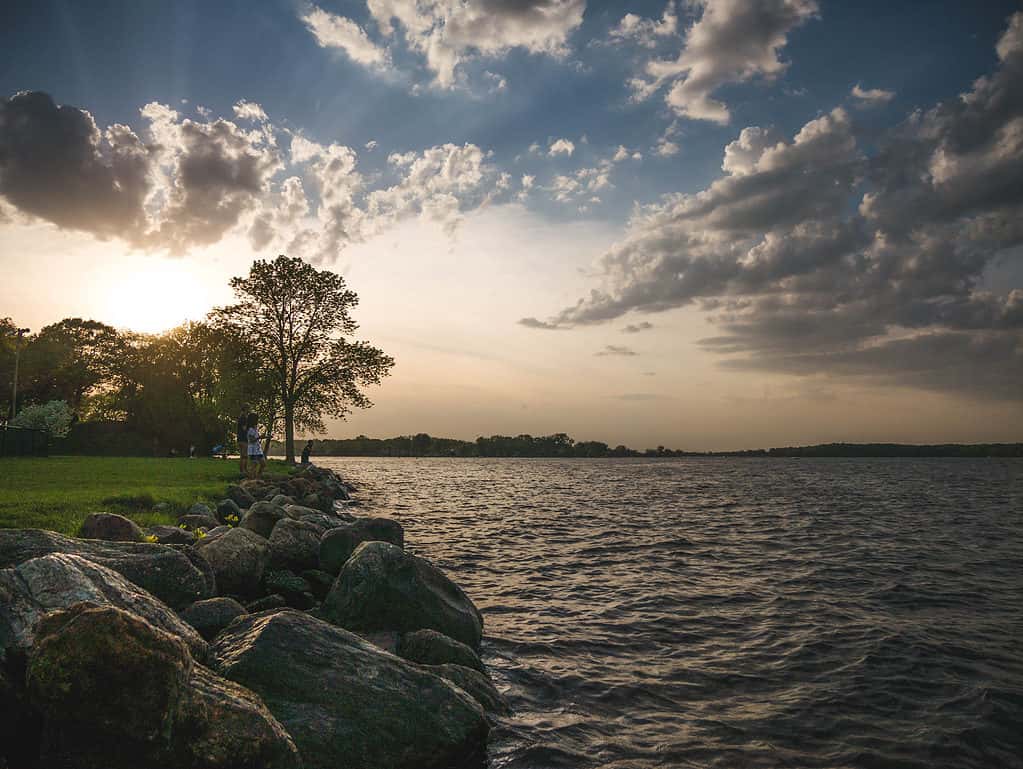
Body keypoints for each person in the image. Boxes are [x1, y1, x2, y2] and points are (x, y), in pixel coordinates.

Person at [246, 412, 267, 479]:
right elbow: (251, 440)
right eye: (257, 419)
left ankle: (257, 477)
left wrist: (265, 437)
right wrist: (260, 437)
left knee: (263, 464)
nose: (258, 421)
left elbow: (257, 438)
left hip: (258, 449)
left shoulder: (255, 429)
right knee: (254, 465)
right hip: (252, 450)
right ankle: (251, 479)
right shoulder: (250, 429)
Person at [237, 405, 249, 476]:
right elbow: (244, 428)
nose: (249, 411)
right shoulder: (244, 418)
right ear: (245, 410)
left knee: (242, 456)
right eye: (248, 409)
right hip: (243, 439)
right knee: (245, 456)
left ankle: (241, 471)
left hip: (239, 439)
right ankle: (244, 470)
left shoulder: (240, 417)